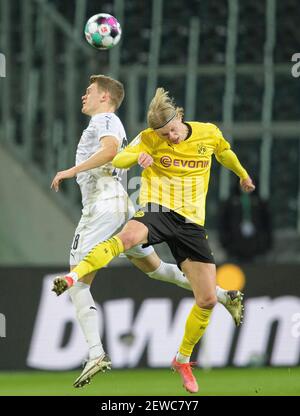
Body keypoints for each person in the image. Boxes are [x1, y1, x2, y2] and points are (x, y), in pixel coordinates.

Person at [51, 82, 248, 392]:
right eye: (163, 133)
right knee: (155, 268)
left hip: (135, 213)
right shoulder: (149, 138)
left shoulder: (105, 119)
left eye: (88, 90)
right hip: (154, 210)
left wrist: (243, 174)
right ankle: (225, 296)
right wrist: (139, 159)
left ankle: (95, 349)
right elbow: (120, 159)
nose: (169, 137)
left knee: (86, 275)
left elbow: (110, 151)